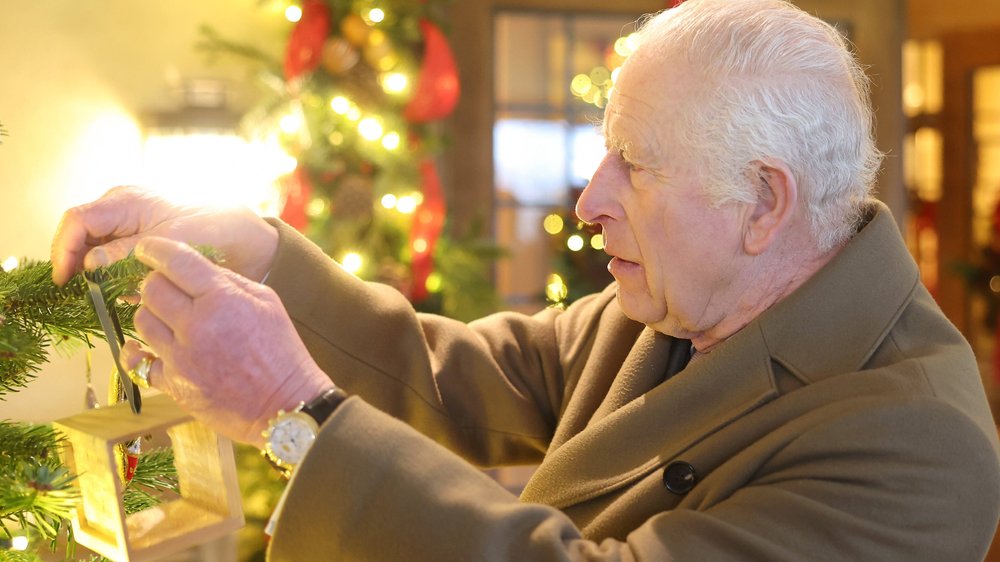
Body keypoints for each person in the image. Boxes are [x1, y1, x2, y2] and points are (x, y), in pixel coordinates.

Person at [51, 0, 1000, 559]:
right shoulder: (678, 300)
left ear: (763, 202)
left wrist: (291, 419)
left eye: (636, 163)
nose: (590, 200)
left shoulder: (918, 443)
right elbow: (451, 376)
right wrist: (253, 251)